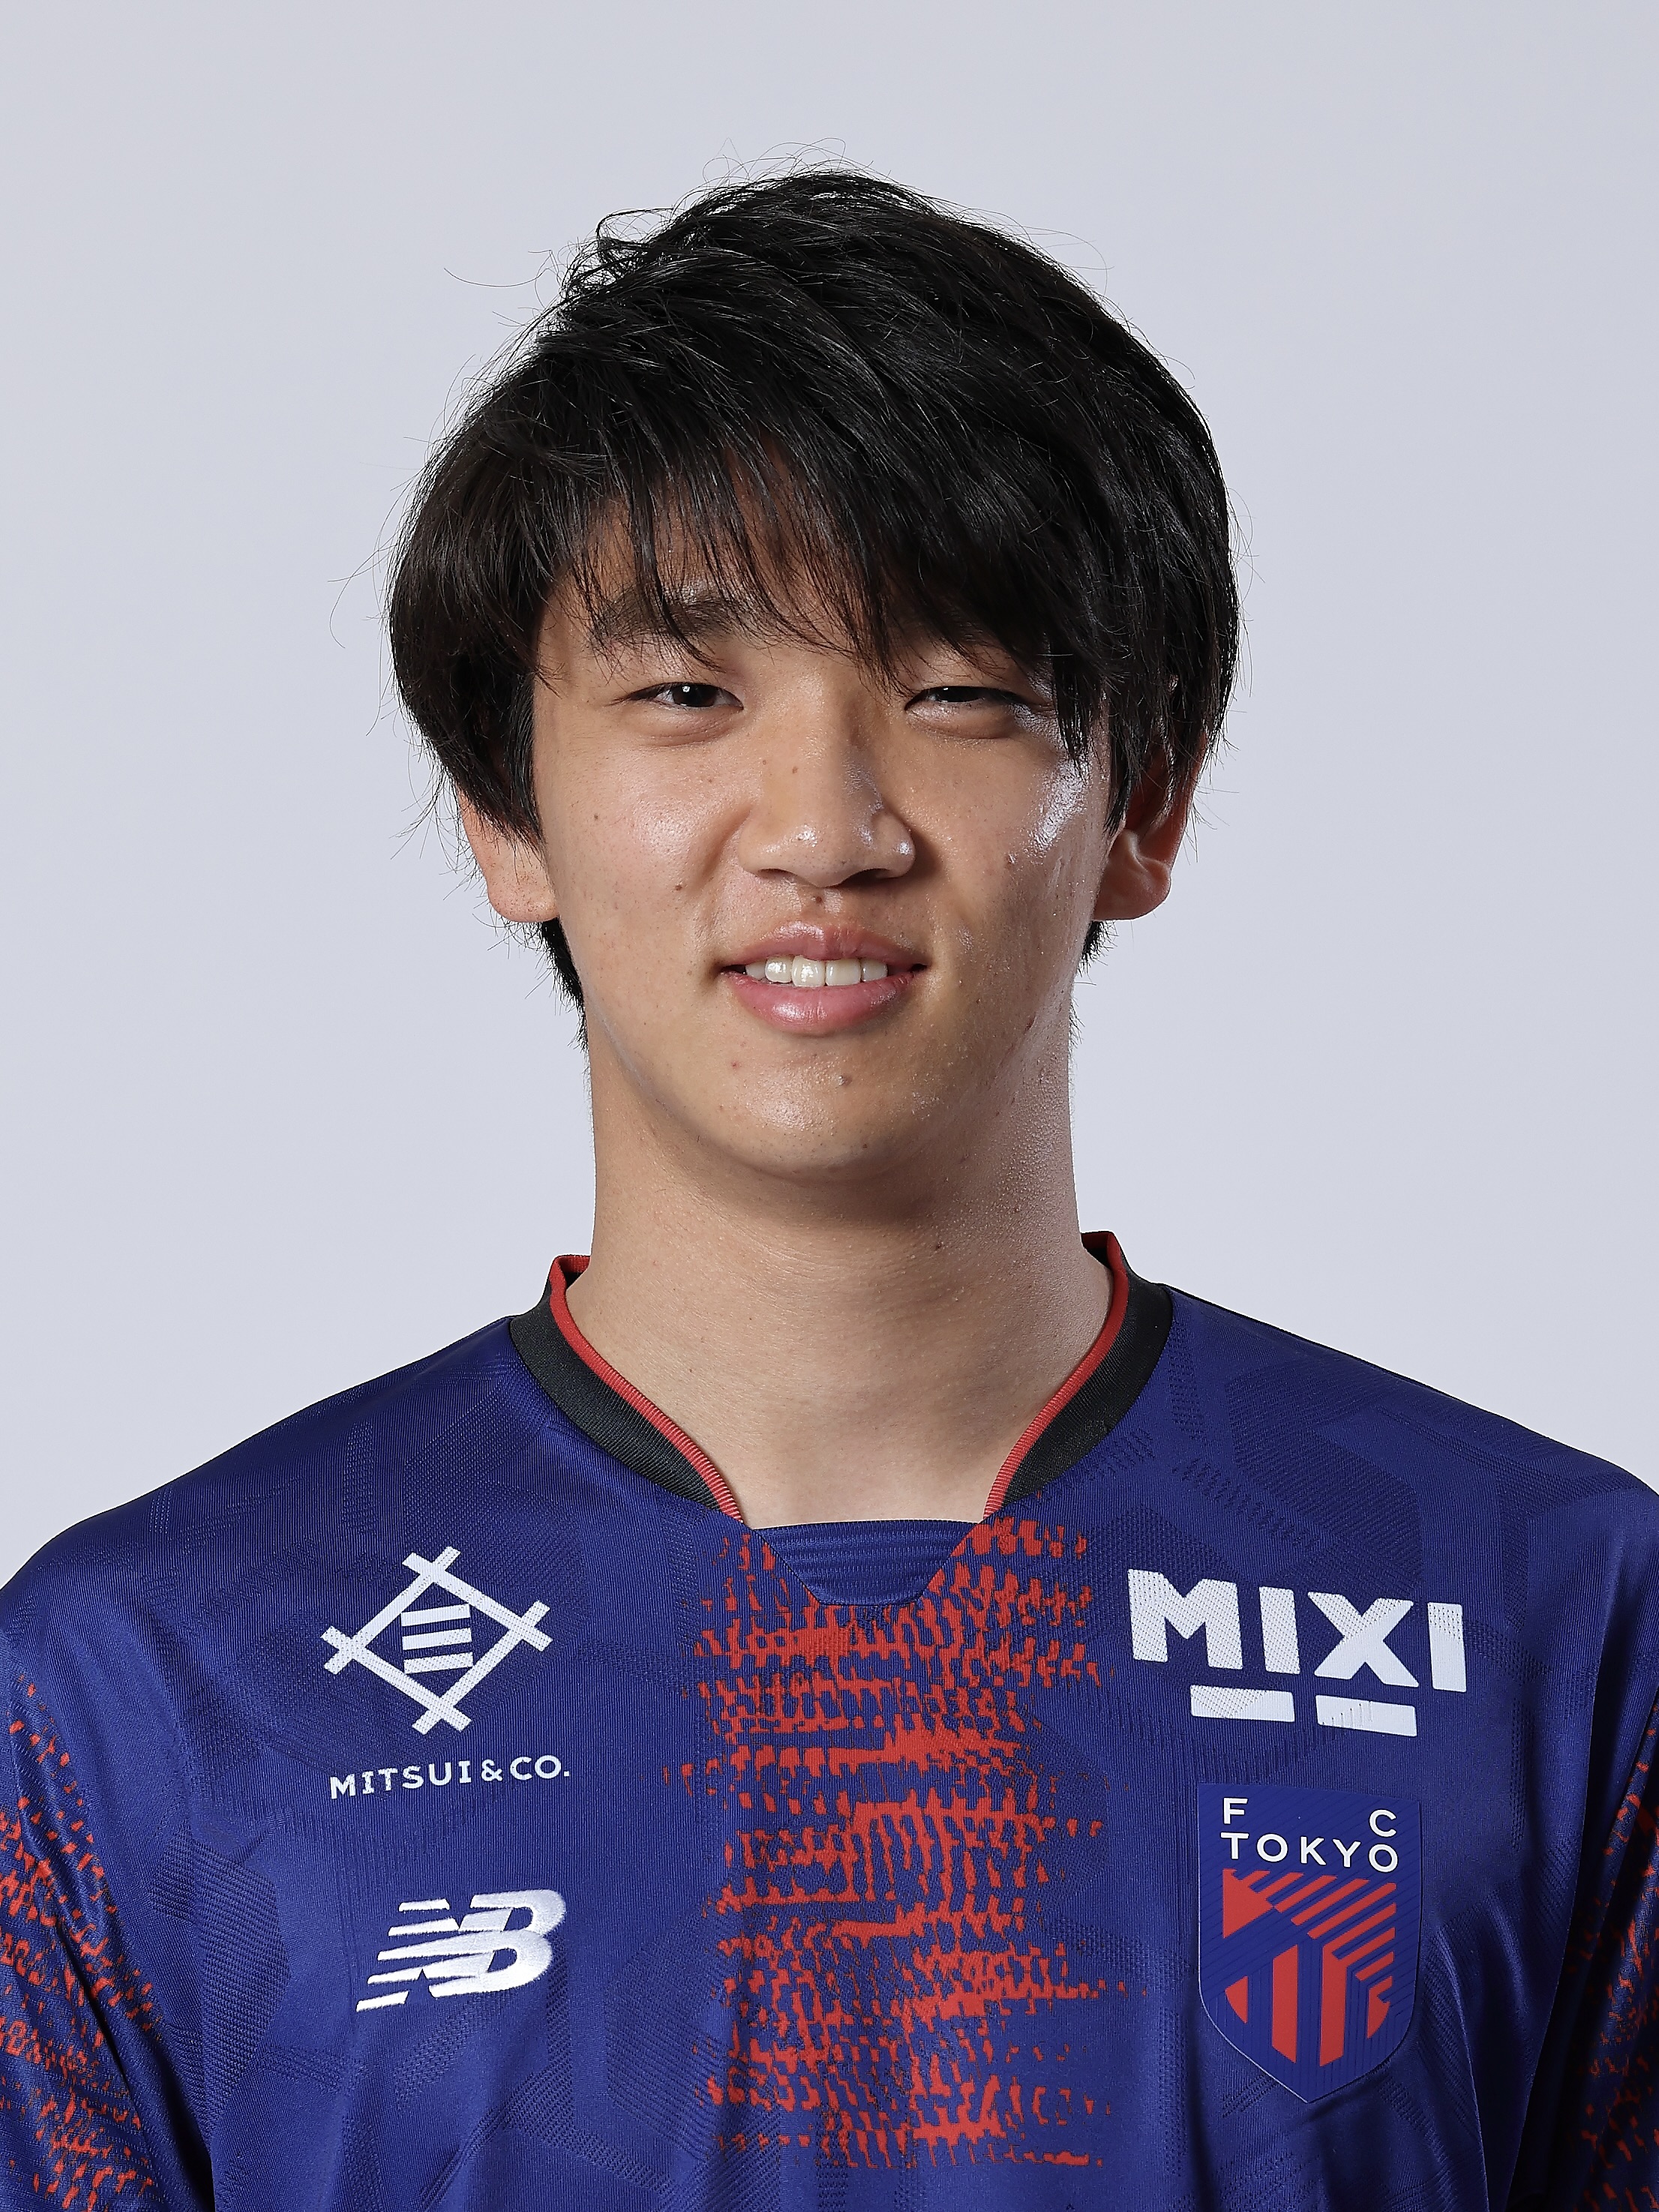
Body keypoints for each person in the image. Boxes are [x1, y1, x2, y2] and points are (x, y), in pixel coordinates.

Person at [0, 170, 1652, 2212]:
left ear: (1142, 800)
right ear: (506, 809)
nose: (823, 827)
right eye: (688, 695)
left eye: (954, 693)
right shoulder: (145, 1686)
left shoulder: (1551, 1616)